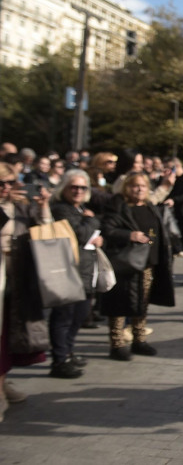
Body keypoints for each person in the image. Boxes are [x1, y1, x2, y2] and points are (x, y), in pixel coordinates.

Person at [101, 172, 175, 361]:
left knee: (142, 303)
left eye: (143, 185)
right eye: (134, 186)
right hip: (125, 262)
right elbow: (108, 229)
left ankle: (139, 339)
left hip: (148, 263)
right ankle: (117, 344)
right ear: (126, 187)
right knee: (118, 305)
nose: (139, 189)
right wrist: (129, 235)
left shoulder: (150, 205)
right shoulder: (119, 205)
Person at [0, 162, 51, 420]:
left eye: (10, 183)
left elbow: (45, 232)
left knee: (11, 331)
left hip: (17, 277)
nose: (6, 188)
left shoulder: (21, 205)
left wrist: (42, 206)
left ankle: (3, 382)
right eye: (1, 184)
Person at [48, 169, 103, 377]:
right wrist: (93, 222)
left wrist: (94, 232)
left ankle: (68, 353)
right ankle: (59, 360)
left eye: (82, 187)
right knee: (64, 316)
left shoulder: (80, 209)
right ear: (65, 188)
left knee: (79, 315)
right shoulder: (61, 209)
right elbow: (80, 233)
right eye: (74, 187)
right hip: (67, 270)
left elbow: (88, 235)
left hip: (85, 270)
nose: (78, 191)